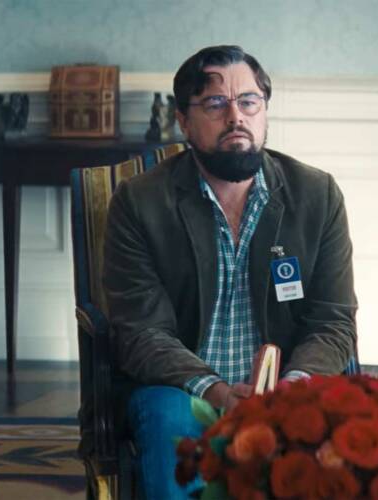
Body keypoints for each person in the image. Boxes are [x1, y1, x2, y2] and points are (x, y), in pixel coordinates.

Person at [103, 45, 357, 499]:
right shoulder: (139, 202)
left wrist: (291, 388)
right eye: (215, 103)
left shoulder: (317, 195)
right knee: (168, 418)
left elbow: (332, 321)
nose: (236, 116)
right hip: (181, 388)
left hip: (287, 386)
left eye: (249, 101)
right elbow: (142, 332)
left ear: (264, 110)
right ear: (184, 121)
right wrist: (217, 392)